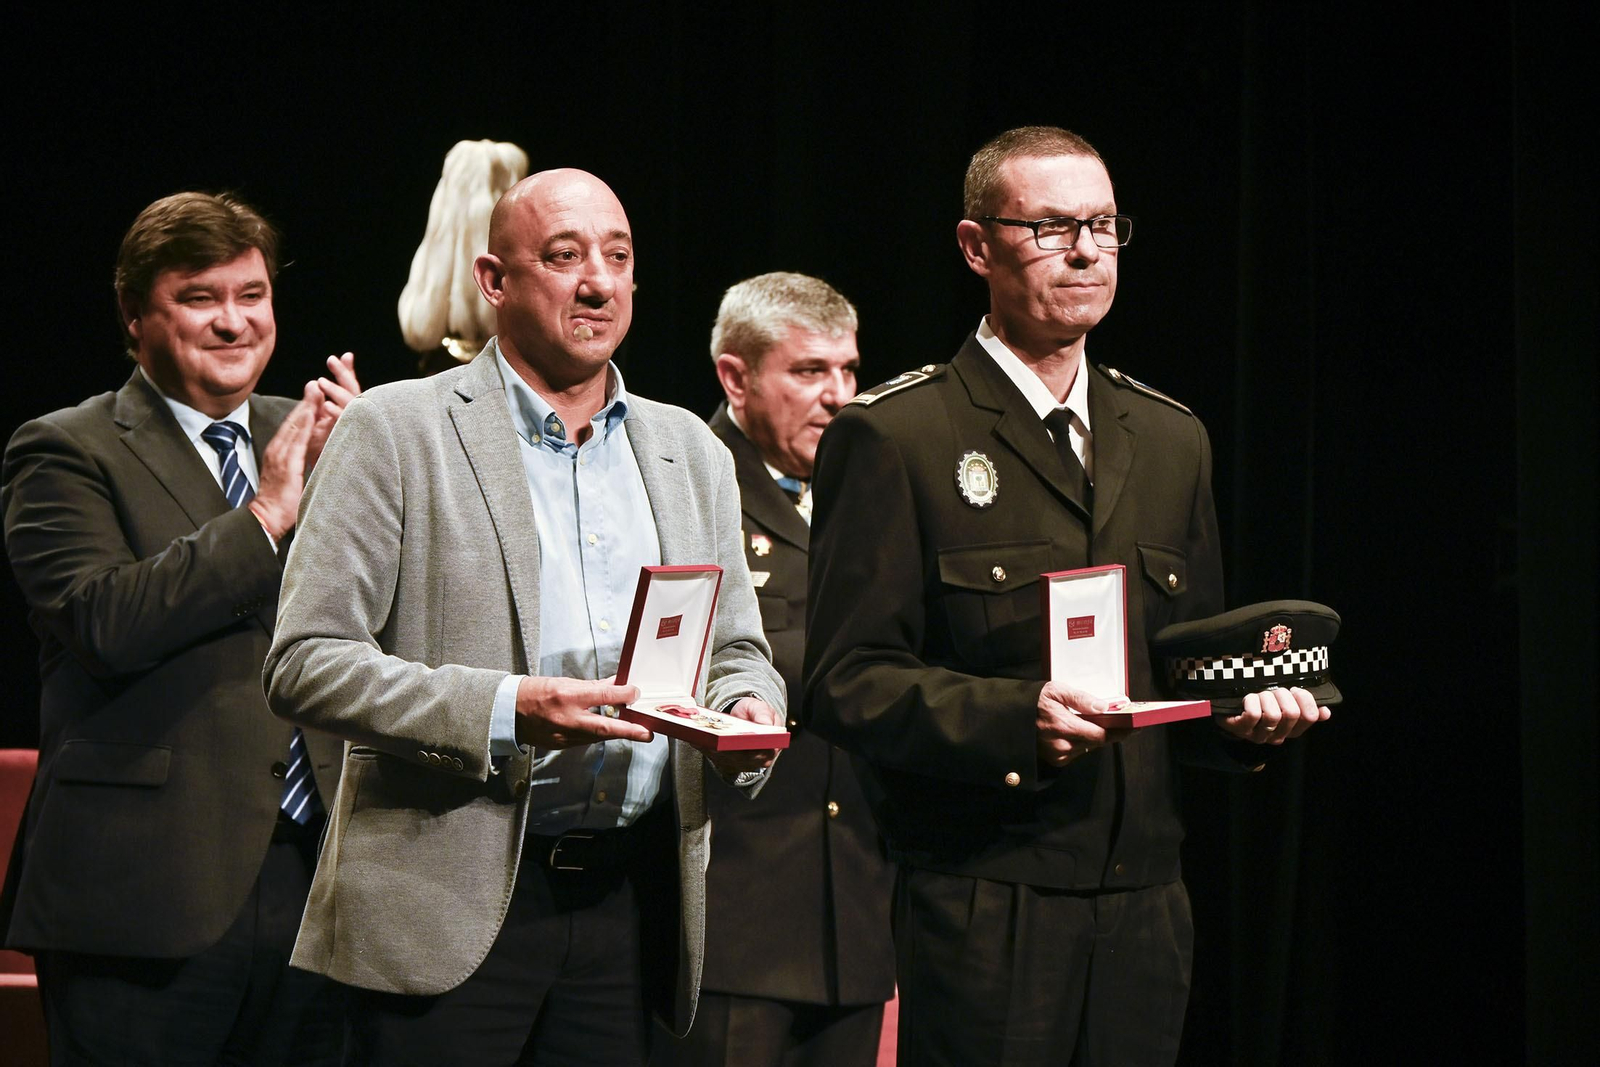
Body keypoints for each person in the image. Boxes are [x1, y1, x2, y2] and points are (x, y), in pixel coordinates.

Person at [802, 126, 1331, 1066]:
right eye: (1050, 227)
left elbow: (1187, 668)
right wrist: (1018, 717)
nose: (1086, 250)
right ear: (977, 247)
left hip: (1146, 907)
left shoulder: (1170, 438)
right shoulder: (898, 434)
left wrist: (1244, 722)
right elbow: (847, 681)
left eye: (1103, 225)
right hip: (985, 899)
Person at [264, 168, 786, 1067]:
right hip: (443, 904)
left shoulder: (689, 449)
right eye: (565, 256)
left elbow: (736, 643)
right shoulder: (396, 428)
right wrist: (510, 708)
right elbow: (305, 662)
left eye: (618, 257)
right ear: (493, 280)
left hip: (629, 907)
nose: (598, 282)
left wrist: (745, 705)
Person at [0, 190, 360, 1064]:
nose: (234, 321)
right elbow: (103, 620)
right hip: (146, 893)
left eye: (251, 294)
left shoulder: (320, 435)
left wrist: (381, 475)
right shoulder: (64, 448)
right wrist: (265, 517)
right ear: (134, 314)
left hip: (320, 881)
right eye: (200, 298)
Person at [653, 273, 895, 1066]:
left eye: (848, 370)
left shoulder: (874, 492)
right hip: (734, 923)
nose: (839, 396)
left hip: (856, 914)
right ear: (736, 377)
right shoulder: (678, 485)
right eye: (809, 371)